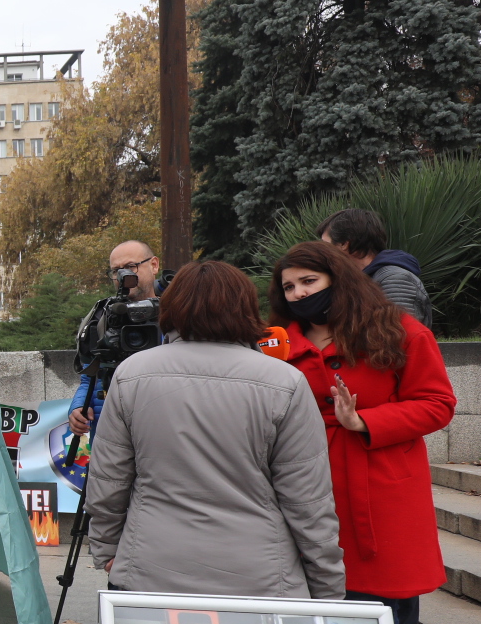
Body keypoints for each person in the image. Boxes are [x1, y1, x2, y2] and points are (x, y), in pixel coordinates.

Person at [85, 260, 345, 600]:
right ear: (246, 307)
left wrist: (105, 549)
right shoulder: (285, 382)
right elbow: (308, 499)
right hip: (258, 574)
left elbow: (109, 480)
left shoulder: (131, 374)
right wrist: (327, 586)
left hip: (151, 568)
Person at [272, 241, 455, 624]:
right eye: (289, 287)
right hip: (302, 479)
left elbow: (436, 402)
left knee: (380, 591)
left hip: (378, 480)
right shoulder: (274, 343)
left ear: (340, 277)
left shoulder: (398, 330)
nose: (298, 293)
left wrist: (366, 422)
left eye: (309, 281)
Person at [68, 240, 165, 436]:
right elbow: (89, 377)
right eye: (116, 271)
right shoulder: (102, 318)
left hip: (162, 427)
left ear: (154, 265)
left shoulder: (178, 315)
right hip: (110, 432)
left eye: (131, 267)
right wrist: (78, 407)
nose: (123, 276)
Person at [320, 208, 433, 326]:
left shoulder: (394, 279)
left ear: (344, 244)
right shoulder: (362, 279)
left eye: (325, 245)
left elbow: (398, 334)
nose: (322, 252)